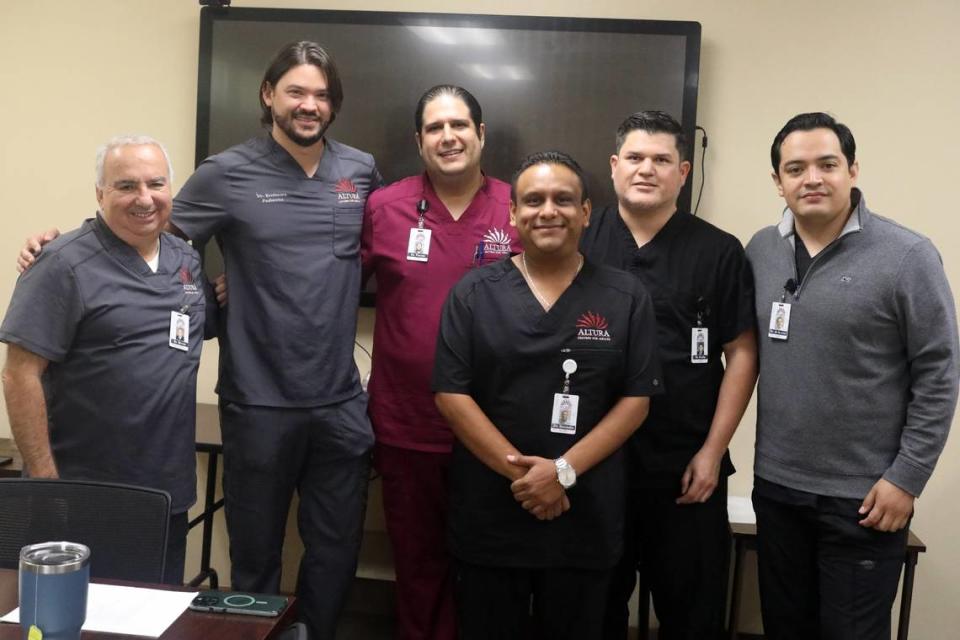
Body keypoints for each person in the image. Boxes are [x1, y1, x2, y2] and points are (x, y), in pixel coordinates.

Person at [14, 41, 381, 638]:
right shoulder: (226, 172)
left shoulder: (360, 170)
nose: (308, 104)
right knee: (256, 553)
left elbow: (384, 247)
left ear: (333, 103)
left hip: (339, 401)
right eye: (296, 91)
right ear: (269, 95)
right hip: (257, 401)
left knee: (337, 548)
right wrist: (53, 245)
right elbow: (145, 229)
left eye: (320, 94)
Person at [746, 112, 959, 639]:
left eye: (827, 164)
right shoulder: (760, 251)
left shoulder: (907, 255)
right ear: (778, 181)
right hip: (777, 489)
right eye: (795, 168)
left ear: (853, 169)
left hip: (864, 498)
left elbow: (939, 372)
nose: (812, 178)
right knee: (785, 628)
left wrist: (906, 477)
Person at [433, 151, 662, 639]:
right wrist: (527, 477)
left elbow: (636, 400)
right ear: (512, 213)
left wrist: (561, 472)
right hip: (493, 510)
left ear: (585, 212)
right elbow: (452, 395)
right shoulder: (473, 294)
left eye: (563, 199)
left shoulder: (625, 296)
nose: (548, 210)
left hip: (584, 515)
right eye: (533, 200)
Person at [0, 135, 208, 585]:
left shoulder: (186, 260)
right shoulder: (61, 264)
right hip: (84, 497)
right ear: (99, 193)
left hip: (167, 494)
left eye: (156, 183)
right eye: (126, 186)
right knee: (79, 622)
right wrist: (45, 482)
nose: (145, 198)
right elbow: (19, 376)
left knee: (156, 616)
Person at [581, 111, 757, 639]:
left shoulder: (718, 250)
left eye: (661, 160)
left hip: (686, 470)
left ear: (683, 172)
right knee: (590, 611)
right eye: (634, 158)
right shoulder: (580, 242)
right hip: (594, 466)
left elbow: (742, 353)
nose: (646, 169)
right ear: (613, 167)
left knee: (692, 613)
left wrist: (712, 452)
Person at [361, 85, 519, 640]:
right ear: (419, 140)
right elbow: (326, 286)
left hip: (499, 429)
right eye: (434, 128)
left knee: (489, 568)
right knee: (418, 565)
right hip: (407, 425)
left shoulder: (520, 206)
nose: (448, 137)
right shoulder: (383, 207)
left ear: (481, 134)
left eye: (459, 125)